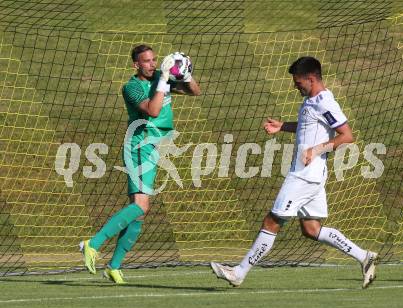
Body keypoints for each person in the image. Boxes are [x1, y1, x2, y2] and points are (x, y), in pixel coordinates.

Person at [211, 56, 378, 289]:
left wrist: (317, 149)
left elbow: (346, 135)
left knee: (272, 220)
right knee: (311, 229)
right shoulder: (312, 101)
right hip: (310, 174)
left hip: (304, 176)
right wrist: (283, 126)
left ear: (311, 78)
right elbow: (310, 125)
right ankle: (364, 256)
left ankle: (238, 272)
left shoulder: (324, 101)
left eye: (298, 82)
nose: (294, 86)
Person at [80, 44, 201, 284]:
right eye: (147, 61)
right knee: (141, 206)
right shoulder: (132, 87)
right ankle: (92, 244)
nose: (153, 64)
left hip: (155, 147)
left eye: (155, 60)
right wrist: (165, 80)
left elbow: (195, 91)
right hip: (139, 145)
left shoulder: (159, 77)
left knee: (139, 214)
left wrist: (185, 73)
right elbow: (153, 111)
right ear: (136, 64)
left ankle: (113, 266)